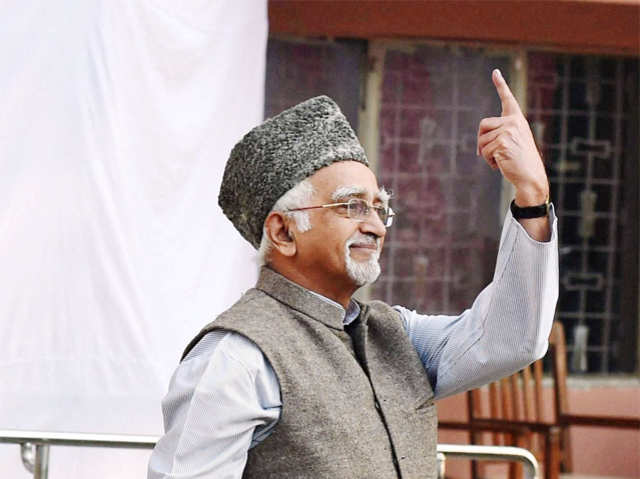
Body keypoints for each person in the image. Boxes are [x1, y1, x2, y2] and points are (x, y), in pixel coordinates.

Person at [148, 69, 558, 479]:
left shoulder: (395, 336)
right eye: (351, 206)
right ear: (283, 231)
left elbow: (512, 338)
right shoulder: (236, 359)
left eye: (379, 208)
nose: (376, 226)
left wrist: (532, 196)